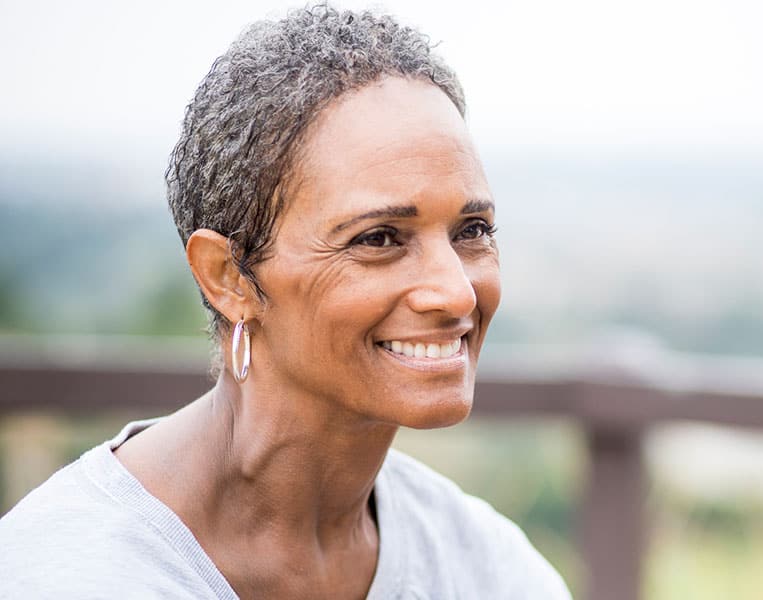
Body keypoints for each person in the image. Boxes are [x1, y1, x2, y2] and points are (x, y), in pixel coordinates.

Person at [0, 6, 572, 599]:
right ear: (228, 278)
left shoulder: (493, 572)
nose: (456, 291)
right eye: (378, 239)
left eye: (472, 230)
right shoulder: (61, 576)